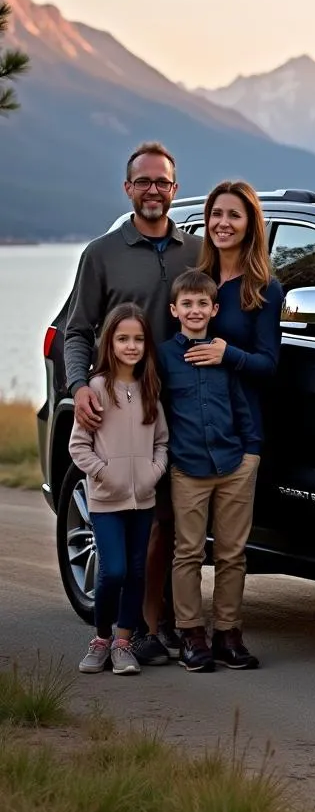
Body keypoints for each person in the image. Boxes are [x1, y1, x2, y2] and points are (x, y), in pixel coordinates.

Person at [64, 142, 202, 665]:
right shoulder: (101, 254)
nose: (153, 191)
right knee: (140, 519)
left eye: (162, 183)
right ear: (128, 189)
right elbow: (78, 330)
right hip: (123, 408)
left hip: (183, 407)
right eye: (143, 182)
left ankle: (163, 621)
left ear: (175, 188)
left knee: (168, 519)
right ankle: (139, 630)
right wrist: (80, 389)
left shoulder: (194, 251)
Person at [158, 269, 261, 672]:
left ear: (214, 309)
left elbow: (241, 404)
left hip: (234, 462)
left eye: (203, 303)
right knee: (188, 552)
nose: (195, 310)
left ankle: (228, 634)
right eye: (188, 304)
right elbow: (158, 409)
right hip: (189, 468)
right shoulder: (165, 356)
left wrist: (251, 452)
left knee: (233, 553)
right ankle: (191, 633)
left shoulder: (224, 351)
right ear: (174, 310)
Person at [69, 304, 169, 676]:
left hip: (143, 499)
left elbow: (162, 442)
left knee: (137, 572)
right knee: (114, 571)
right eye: (123, 338)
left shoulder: (149, 388)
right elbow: (78, 446)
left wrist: (151, 474)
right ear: (108, 342)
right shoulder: (96, 388)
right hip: (106, 500)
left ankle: (124, 643)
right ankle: (100, 639)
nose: (131, 346)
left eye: (138, 339)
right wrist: (104, 475)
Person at [184, 179, 283, 453]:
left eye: (234, 215)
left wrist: (227, 354)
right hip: (187, 431)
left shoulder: (264, 288)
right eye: (216, 214)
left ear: (250, 225)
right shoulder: (193, 282)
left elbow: (268, 364)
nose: (223, 223)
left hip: (237, 432)